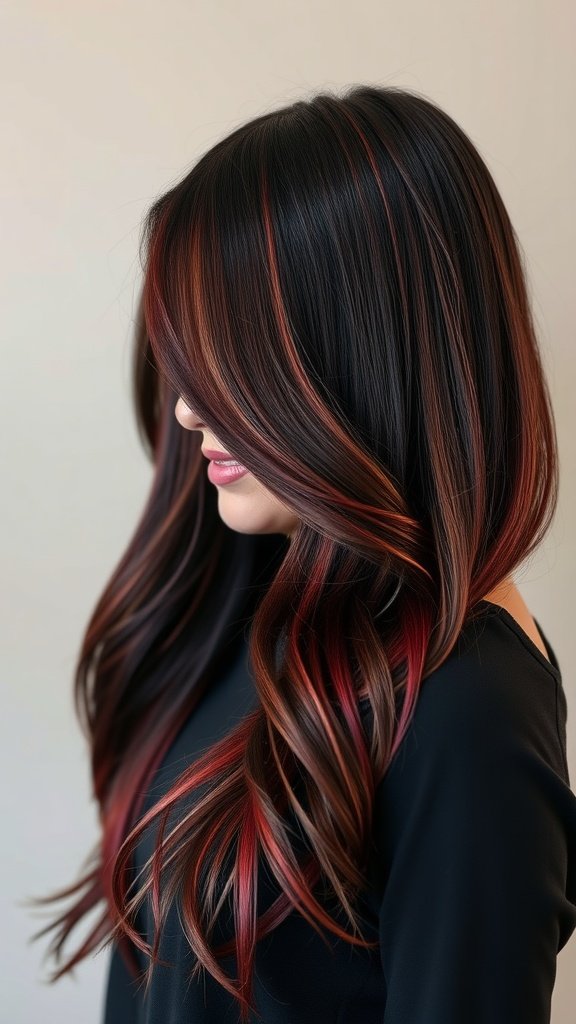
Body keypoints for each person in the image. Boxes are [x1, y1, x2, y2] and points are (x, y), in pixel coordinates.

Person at [30, 84, 576, 1023]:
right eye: (184, 357)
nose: (189, 409)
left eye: (228, 359)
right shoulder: (260, 610)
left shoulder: (463, 709)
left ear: (362, 353)